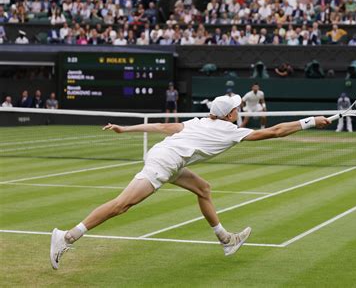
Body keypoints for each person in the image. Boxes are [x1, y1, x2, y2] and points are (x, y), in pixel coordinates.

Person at [50, 95, 331, 269]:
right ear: (230, 114)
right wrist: (310, 121)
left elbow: (161, 127)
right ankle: (67, 236)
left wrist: (126, 129)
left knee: (203, 188)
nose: (239, 110)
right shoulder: (230, 131)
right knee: (121, 205)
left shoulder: (198, 121)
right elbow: (276, 131)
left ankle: (226, 240)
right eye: (237, 108)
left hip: (167, 157)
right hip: (165, 163)